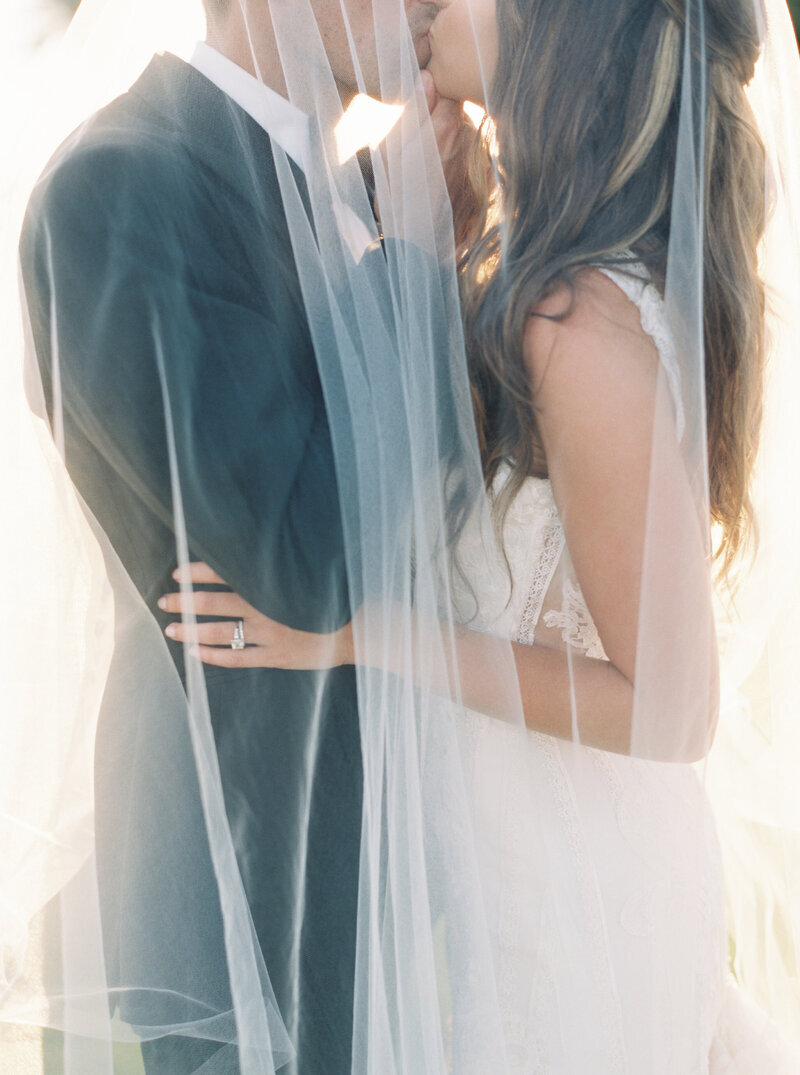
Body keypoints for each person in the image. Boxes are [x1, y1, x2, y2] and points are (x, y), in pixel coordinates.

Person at [162, 0, 800, 1069]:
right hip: (514, 868)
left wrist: (364, 633)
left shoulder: (578, 318)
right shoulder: (538, 279)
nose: (434, 4)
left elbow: (673, 707)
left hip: (573, 888)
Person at [13, 1, 450, 1072]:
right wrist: (417, 267)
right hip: (254, 908)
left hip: (407, 881)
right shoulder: (115, 190)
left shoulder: (351, 191)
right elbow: (302, 563)